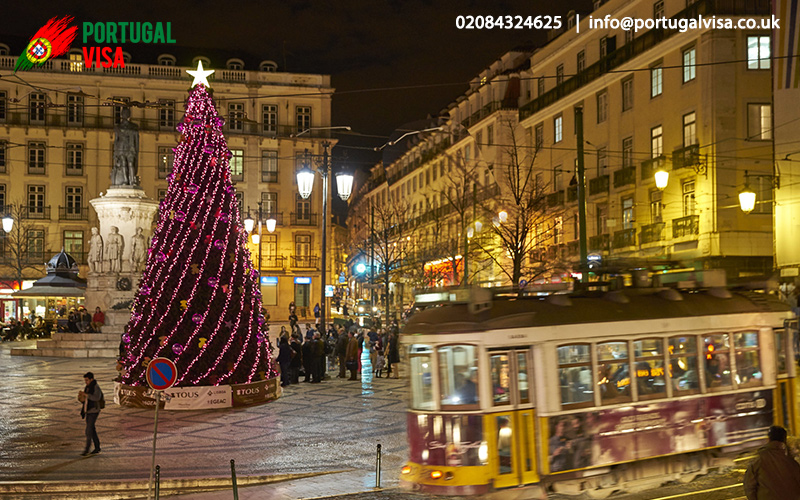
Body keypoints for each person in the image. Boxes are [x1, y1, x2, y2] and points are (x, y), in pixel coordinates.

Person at [743, 425, 800, 500]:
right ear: (784, 440)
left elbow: (749, 487)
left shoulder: (758, 460)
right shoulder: (792, 462)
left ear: (768, 439)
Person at [78, 372, 103, 456]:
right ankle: (97, 447)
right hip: (88, 410)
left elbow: (97, 397)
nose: (86, 382)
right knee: (92, 429)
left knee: (88, 430)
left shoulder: (96, 387)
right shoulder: (88, 387)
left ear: (91, 379)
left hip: (94, 411)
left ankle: (87, 449)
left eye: (87, 380)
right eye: (85, 380)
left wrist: (87, 395)